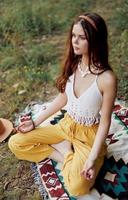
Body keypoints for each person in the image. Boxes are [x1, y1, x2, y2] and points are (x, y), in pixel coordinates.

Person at [8, 12, 117, 196]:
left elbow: (105, 122)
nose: (75, 41)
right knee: (16, 143)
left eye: (81, 37)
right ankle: (66, 152)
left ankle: (67, 151)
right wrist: (35, 122)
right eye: (73, 36)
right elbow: (62, 98)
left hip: (88, 136)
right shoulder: (74, 65)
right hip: (66, 126)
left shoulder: (107, 79)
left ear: (95, 40)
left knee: (77, 188)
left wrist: (91, 158)